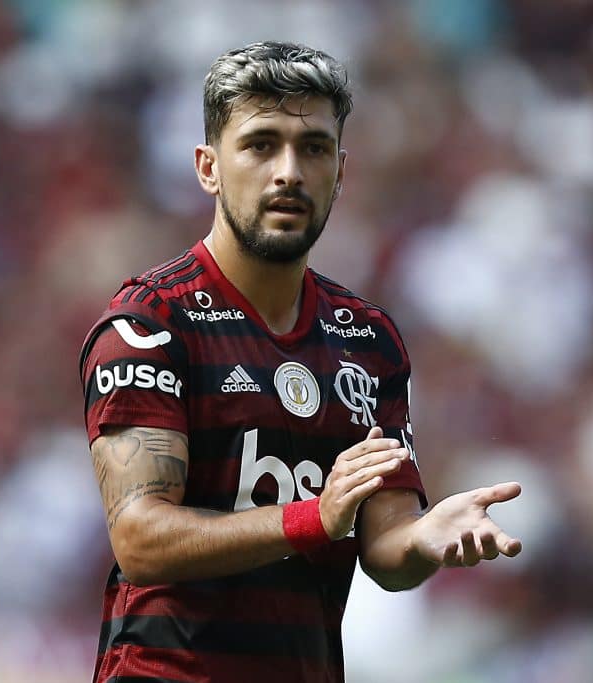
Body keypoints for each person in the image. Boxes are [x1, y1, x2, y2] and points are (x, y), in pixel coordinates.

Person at [79, 41, 523, 683]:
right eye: (261, 145)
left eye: (312, 148)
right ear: (208, 167)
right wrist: (313, 517)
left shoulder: (367, 339)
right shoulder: (150, 325)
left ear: (339, 173)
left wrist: (426, 539)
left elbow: (385, 546)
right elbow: (141, 539)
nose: (288, 171)